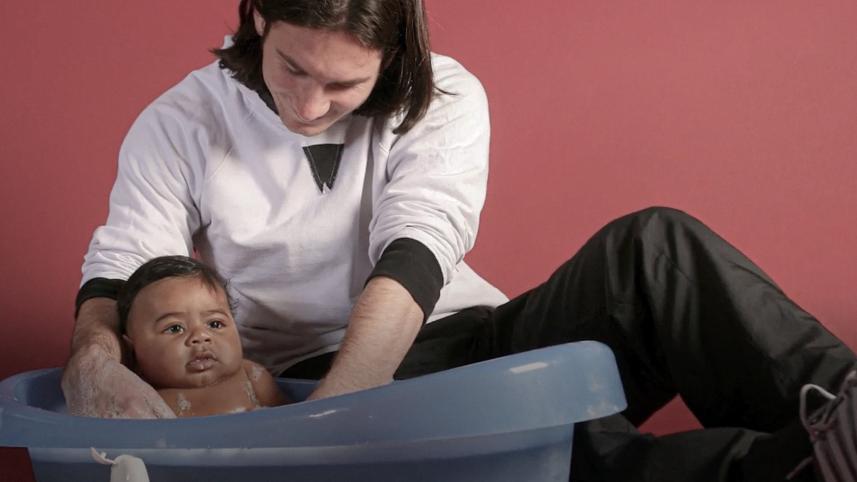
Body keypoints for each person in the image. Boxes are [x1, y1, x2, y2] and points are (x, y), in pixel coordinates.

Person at [60, 0, 854, 480]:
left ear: (390, 57)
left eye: (342, 84)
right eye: (292, 69)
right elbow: (126, 263)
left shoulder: (445, 92)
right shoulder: (182, 120)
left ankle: (843, 413)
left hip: (457, 334)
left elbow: (417, 246)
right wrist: (94, 360)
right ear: (259, 18)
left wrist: (333, 426)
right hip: (312, 376)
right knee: (534, 440)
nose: (309, 105)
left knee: (655, 247)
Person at [118, 255, 287, 417]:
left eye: (215, 324)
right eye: (175, 328)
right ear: (132, 349)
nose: (200, 336)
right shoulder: (136, 399)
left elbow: (289, 424)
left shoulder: (253, 378)